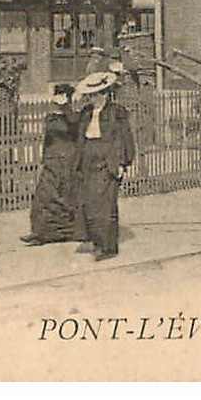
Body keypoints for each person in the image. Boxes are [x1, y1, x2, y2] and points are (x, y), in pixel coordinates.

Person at [73, 71, 135, 261]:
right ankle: (96, 241)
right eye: (91, 96)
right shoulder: (85, 113)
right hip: (88, 160)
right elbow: (78, 136)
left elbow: (125, 138)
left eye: (97, 95)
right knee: (90, 204)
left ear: (106, 94)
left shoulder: (117, 113)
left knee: (105, 205)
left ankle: (108, 247)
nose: (94, 99)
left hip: (108, 160)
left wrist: (124, 163)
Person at [22, 84, 82, 244]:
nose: (58, 99)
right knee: (43, 197)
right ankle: (40, 233)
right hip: (51, 162)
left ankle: (67, 232)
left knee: (65, 197)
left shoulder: (74, 117)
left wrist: (66, 107)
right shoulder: (51, 118)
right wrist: (43, 161)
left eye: (62, 95)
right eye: (58, 95)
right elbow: (47, 141)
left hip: (67, 162)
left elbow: (76, 129)